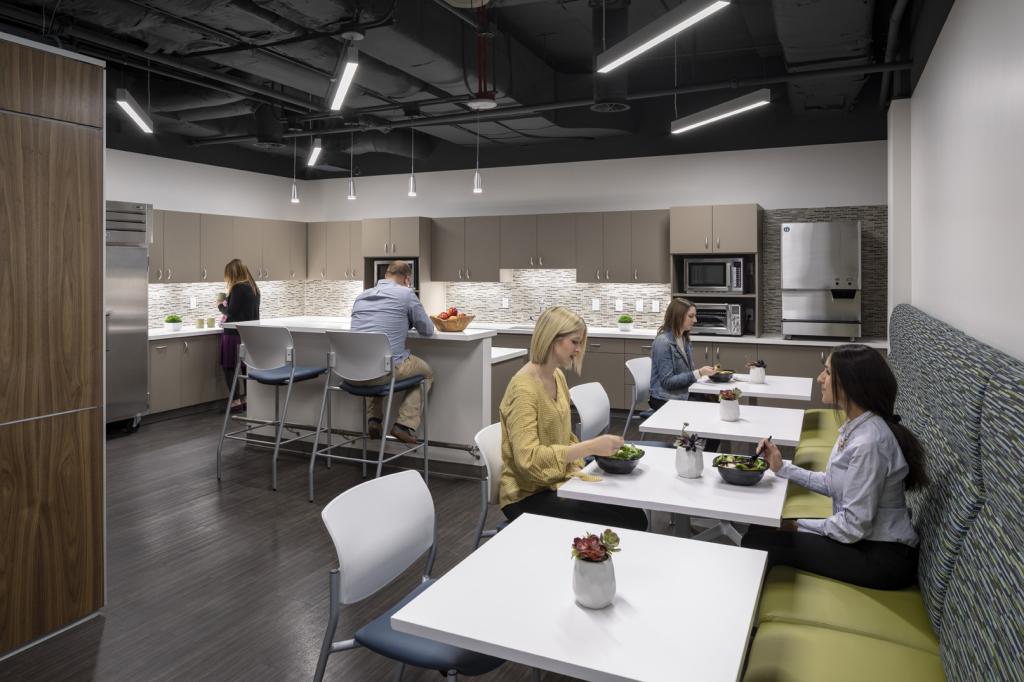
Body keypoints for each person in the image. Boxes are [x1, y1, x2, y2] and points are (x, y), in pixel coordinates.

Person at [742, 344, 927, 590]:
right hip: (866, 539)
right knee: (762, 529)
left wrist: (798, 524)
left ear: (851, 382)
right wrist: (782, 467)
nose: (820, 378)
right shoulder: (858, 427)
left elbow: (852, 527)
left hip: (883, 557)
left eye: (827, 373)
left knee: (758, 541)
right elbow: (833, 483)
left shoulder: (869, 443)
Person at [498, 306, 648, 531]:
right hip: (526, 497)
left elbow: (563, 435)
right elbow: (527, 460)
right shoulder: (524, 390)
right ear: (552, 339)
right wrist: (589, 448)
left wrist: (584, 459)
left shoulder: (556, 376)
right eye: (574, 342)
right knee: (628, 521)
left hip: (556, 480)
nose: (579, 350)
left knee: (633, 513)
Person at [350, 260, 434, 444]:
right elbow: (428, 330)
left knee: (372, 362)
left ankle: (374, 420)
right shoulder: (406, 294)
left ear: (386, 275)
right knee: (426, 373)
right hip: (385, 371)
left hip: (352, 371)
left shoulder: (361, 296)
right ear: (407, 279)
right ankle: (403, 425)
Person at [648, 298, 719, 450]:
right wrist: (698, 373)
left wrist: (703, 374)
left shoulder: (683, 338)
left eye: (695, 316)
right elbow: (667, 382)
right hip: (664, 397)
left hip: (680, 392)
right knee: (712, 418)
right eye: (691, 316)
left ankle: (702, 457)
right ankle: (699, 457)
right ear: (678, 316)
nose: (696, 320)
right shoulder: (663, 342)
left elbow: (688, 374)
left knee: (717, 408)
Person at [218, 258, 261, 411]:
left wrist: (220, 305)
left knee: (230, 367)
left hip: (233, 334)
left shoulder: (237, 288)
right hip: (249, 334)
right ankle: (249, 400)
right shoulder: (254, 287)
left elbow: (231, 311)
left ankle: (235, 402)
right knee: (246, 367)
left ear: (233, 274)